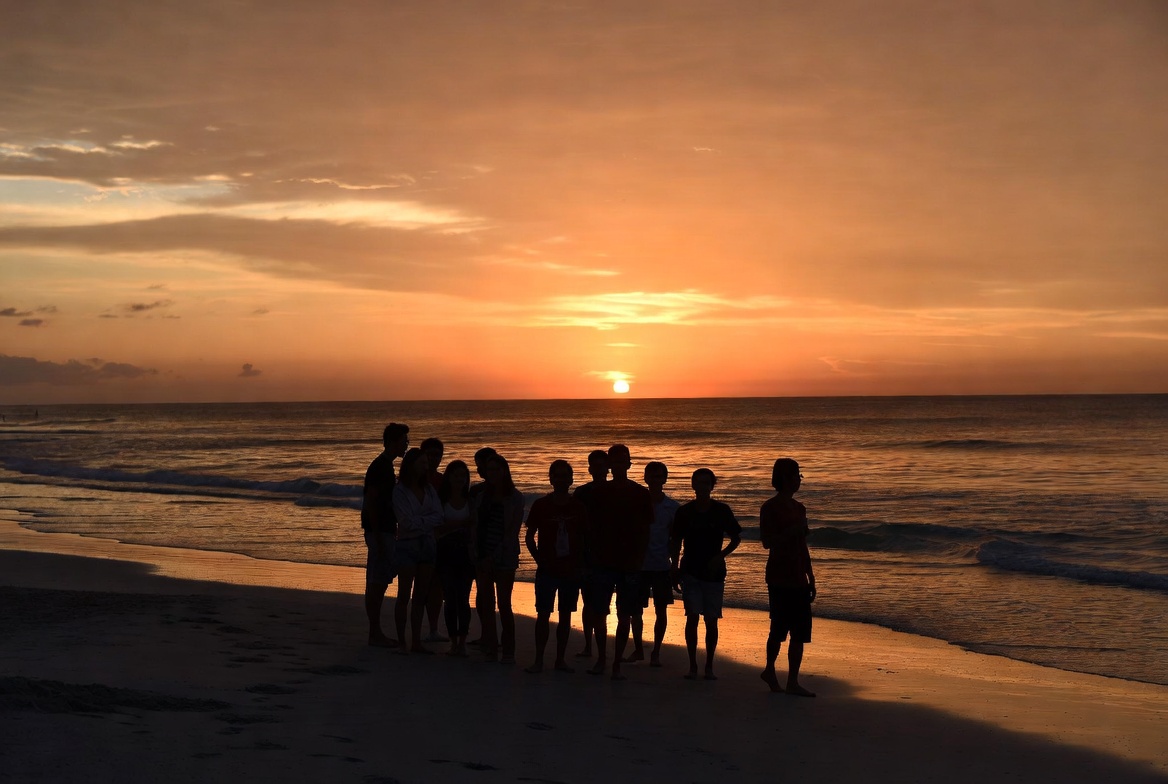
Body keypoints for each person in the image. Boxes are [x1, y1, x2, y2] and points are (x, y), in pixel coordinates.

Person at [586, 444, 653, 680]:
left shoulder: (640, 493)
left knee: (625, 614)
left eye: (623, 461)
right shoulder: (597, 493)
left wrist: (640, 559)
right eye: (614, 462)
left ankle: (616, 662)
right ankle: (603, 658)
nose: (618, 466)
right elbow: (589, 527)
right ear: (609, 465)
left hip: (630, 564)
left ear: (629, 464)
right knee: (599, 612)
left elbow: (646, 529)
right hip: (603, 561)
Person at [670, 468, 741, 681]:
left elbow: (736, 538)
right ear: (693, 485)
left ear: (712, 486)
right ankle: (693, 666)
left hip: (714, 573)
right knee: (692, 618)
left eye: (706, 483)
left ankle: (708, 667)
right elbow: (675, 541)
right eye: (698, 483)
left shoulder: (722, 510)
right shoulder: (684, 512)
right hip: (690, 570)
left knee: (711, 620)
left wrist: (721, 556)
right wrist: (674, 567)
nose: (702, 487)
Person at [759, 458, 817, 697]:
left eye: (799, 476)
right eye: (795, 476)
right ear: (784, 478)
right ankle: (770, 669)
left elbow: (802, 544)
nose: (798, 480)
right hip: (779, 575)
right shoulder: (770, 507)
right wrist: (789, 532)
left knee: (800, 632)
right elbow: (766, 541)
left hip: (798, 575)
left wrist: (811, 575)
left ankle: (793, 680)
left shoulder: (800, 508)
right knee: (779, 629)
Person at [524, 459, 588, 674]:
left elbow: (584, 538)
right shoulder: (541, 505)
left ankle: (560, 659)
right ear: (550, 479)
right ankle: (539, 660)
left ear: (571, 479)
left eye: (565, 476)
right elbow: (529, 537)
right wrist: (538, 559)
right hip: (547, 570)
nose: (561, 480)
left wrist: (581, 564)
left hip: (570, 570)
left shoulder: (578, 508)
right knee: (542, 614)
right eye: (557, 475)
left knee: (565, 616)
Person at [472, 454, 525, 662]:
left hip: (505, 556)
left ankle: (508, 649)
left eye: (496, 469)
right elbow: (475, 527)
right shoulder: (480, 496)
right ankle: (491, 646)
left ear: (504, 471)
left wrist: (494, 554)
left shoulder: (515, 497)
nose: (492, 473)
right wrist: (478, 553)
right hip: (483, 555)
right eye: (489, 469)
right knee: (486, 603)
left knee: (504, 604)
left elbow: (512, 530)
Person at [392, 447, 444, 654]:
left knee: (420, 595)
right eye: (422, 463)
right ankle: (401, 640)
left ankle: (415, 641)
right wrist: (426, 521)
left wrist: (421, 521)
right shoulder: (399, 490)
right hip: (407, 544)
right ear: (412, 465)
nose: (426, 466)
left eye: (426, 463)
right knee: (404, 594)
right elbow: (405, 522)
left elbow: (439, 516)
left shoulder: (430, 490)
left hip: (427, 544)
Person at [361, 422, 409, 647]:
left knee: (377, 580)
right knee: (378, 581)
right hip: (379, 530)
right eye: (403, 441)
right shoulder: (380, 467)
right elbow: (371, 501)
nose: (407, 444)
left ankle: (374, 632)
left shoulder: (385, 466)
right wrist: (378, 536)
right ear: (392, 442)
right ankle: (375, 632)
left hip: (382, 529)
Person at [631, 461, 679, 667]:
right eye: (652, 476)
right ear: (646, 478)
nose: (656, 480)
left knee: (661, 610)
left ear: (664, 479)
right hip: (639, 565)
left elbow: (676, 540)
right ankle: (639, 649)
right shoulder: (637, 504)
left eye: (659, 476)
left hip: (661, 566)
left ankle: (656, 651)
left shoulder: (672, 508)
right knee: (635, 610)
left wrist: (675, 565)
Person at [435, 460, 476, 657]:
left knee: (463, 599)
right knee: (450, 599)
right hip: (445, 553)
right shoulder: (441, 501)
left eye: (463, 475)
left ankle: (462, 641)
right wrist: (460, 524)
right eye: (456, 475)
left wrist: (455, 525)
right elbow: (437, 528)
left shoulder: (470, 501)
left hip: (465, 554)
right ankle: (453, 642)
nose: (459, 479)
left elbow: (474, 527)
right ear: (448, 477)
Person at [571, 449, 609, 659]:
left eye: (602, 466)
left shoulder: (614, 491)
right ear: (589, 468)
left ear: (607, 468)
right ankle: (588, 645)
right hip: (586, 555)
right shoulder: (582, 493)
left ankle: (601, 652)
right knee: (587, 602)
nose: (598, 469)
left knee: (601, 607)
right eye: (594, 466)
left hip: (608, 556)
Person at [419, 436, 448, 643]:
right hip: (417, 537)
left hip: (439, 538)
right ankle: (418, 628)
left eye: (438, 455)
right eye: (430, 455)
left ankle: (433, 628)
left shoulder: (442, 481)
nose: (435, 459)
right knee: (419, 584)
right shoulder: (412, 480)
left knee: (436, 584)